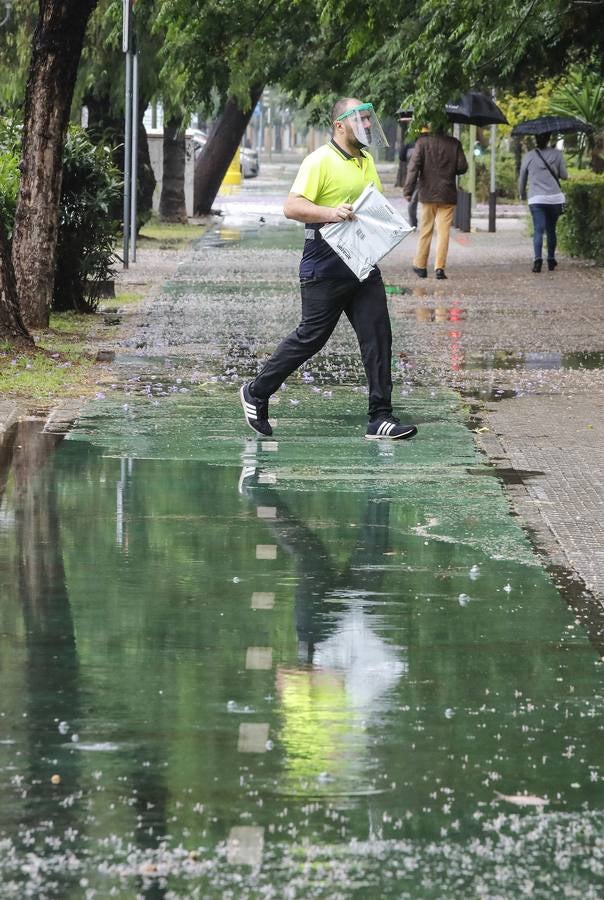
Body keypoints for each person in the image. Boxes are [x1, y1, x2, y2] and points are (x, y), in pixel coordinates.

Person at [240, 97, 418, 442]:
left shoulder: (364, 161)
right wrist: (329, 212)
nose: (367, 125)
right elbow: (292, 207)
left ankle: (380, 417)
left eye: (369, 120)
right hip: (325, 261)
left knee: (378, 335)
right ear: (340, 125)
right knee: (312, 337)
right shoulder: (319, 160)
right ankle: (257, 392)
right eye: (360, 120)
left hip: (362, 262)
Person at [403, 126, 467, 280]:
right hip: (447, 194)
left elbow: (413, 168)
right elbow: (462, 167)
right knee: (444, 232)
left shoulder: (422, 143)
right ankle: (439, 268)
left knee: (426, 230)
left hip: (428, 194)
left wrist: (408, 190)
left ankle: (420, 266)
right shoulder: (454, 143)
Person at [518, 132, 567, 273]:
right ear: (548, 139)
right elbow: (564, 176)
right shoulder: (557, 154)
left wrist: (522, 194)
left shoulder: (529, 156)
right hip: (555, 199)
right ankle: (551, 260)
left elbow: (522, 178)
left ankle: (537, 261)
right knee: (551, 230)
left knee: (538, 230)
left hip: (536, 199)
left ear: (535, 140)